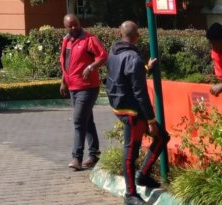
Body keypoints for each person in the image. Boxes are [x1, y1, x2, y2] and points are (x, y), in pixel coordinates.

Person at [106, 21, 169, 205]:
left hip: (119, 105)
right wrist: (150, 120)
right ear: (138, 36)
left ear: (120, 34)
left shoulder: (114, 52)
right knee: (130, 153)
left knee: (162, 137)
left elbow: (123, 74)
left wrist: (146, 69)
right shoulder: (133, 58)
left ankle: (142, 175)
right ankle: (130, 194)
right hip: (133, 112)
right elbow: (140, 93)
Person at [59, 14, 108, 171]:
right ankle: (94, 155)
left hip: (88, 87)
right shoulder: (66, 41)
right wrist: (63, 82)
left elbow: (103, 56)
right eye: (70, 26)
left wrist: (91, 67)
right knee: (87, 120)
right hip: (73, 86)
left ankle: (77, 158)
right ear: (65, 27)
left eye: (76, 24)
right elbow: (65, 62)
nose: (73, 27)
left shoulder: (89, 39)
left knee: (79, 120)